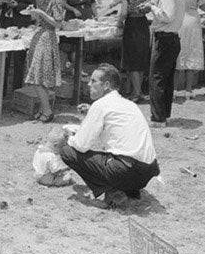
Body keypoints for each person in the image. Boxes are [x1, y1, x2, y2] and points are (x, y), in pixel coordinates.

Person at [58, 64, 160, 208]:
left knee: (67, 151)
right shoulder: (128, 104)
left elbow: (81, 145)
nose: (89, 84)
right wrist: (91, 112)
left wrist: (69, 138)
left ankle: (111, 190)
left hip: (125, 170)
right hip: (148, 170)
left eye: (93, 81)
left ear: (106, 85)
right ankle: (126, 189)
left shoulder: (101, 105)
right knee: (113, 155)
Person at [145, 0, 184, 125]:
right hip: (173, 37)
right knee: (167, 79)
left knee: (157, 77)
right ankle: (164, 113)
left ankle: (157, 118)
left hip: (164, 38)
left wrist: (151, 7)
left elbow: (166, 16)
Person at [23, 0, 65, 122]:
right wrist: (35, 13)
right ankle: (44, 108)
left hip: (47, 38)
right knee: (38, 75)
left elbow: (58, 23)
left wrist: (40, 13)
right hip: (41, 35)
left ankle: (47, 111)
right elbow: (42, 20)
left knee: (38, 76)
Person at [117, 0, 153, 101]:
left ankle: (136, 93)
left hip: (131, 25)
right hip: (143, 24)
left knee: (131, 60)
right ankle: (139, 91)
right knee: (141, 59)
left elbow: (124, 12)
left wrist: (119, 23)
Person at [175, 0, 205, 99]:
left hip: (178, 20)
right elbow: (204, 6)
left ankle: (176, 89)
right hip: (192, 20)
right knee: (191, 52)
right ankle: (188, 89)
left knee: (178, 52)